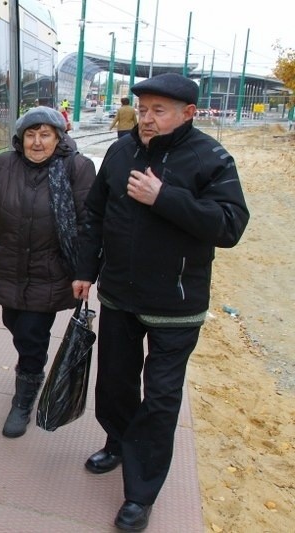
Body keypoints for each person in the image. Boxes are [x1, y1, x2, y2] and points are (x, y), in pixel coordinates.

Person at [72, 73, 250, 531]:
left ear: (188, 113)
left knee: (162, 398)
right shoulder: (120, 151)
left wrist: (164, 197)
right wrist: (84, 270)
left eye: (159, 111)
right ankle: (117, 441)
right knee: (114, 383)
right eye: (144, 109)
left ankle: (141, 493)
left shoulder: (211, 158)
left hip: (177, 303)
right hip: (119, 295)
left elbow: (230, 225)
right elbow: (94, 215)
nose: (147, 120)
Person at [0, 106, 96, 438]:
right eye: (31, 134)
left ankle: (23, 399)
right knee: (14, 323)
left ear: (59, 138)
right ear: (20, 138)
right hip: (8, 266)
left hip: (50, 270)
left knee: (32, 335)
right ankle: (29, 367)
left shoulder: (78, 168)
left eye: (45, 134)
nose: (37, 142)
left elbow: (89, 223)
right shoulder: (2, 165)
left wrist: (82, 270)